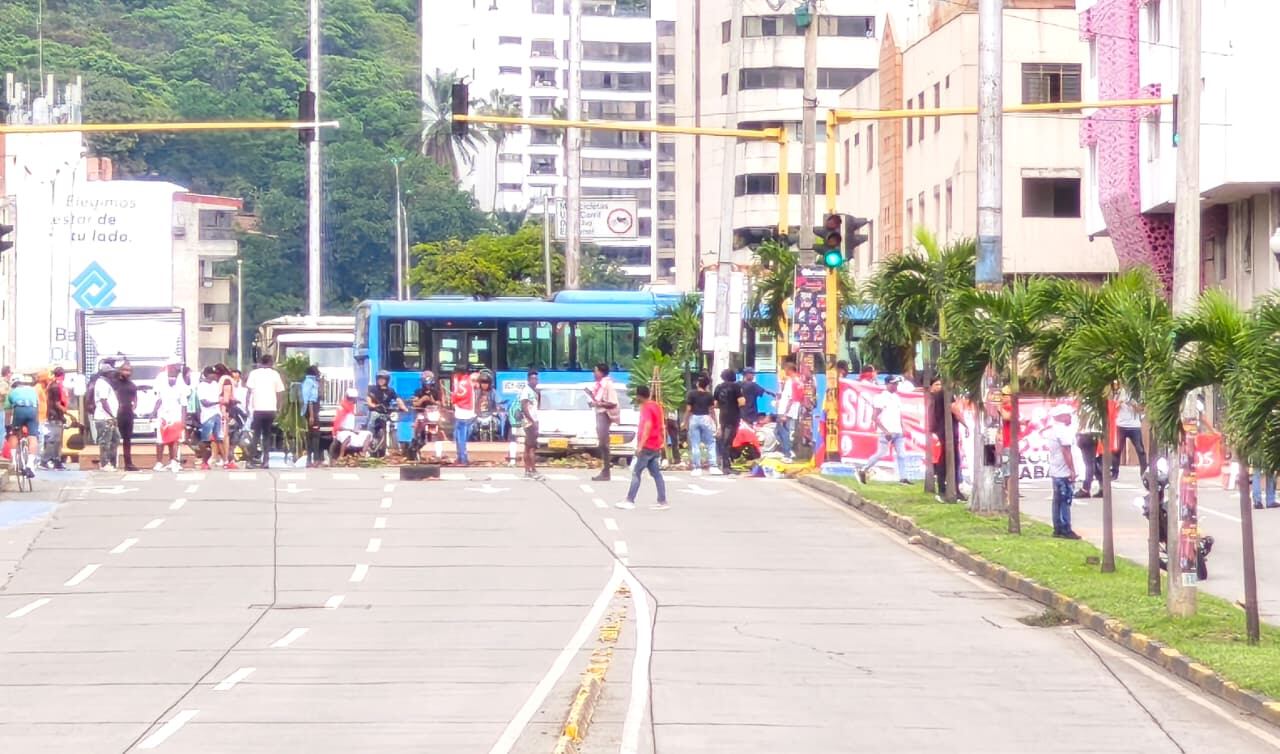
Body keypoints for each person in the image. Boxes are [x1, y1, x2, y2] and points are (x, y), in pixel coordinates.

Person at [615, 385, 669, 511]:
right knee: (656, 474)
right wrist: (662, 441)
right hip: (655, 445)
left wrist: (640, 445)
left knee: (636, 472)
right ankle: (662, 500)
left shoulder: (646, 408)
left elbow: (648, 426)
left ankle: (630, 499)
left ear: (639, 396)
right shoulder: (657, 406)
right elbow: (661, 426)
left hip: (647, 446)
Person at [858, 376, 908, 485]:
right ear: (887, 384)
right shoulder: (880, 398)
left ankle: (903, 478)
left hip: (897, 431)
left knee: (902, 455)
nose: (896, 386)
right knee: (881, 453)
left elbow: (899, 415)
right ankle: (863, 469)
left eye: (896, 384)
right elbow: (874, 417)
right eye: (893, 384)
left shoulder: (896, 398)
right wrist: (885, 431)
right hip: (886, 432)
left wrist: (902, 427)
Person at [927, 376, 965, 501]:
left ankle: (946, 489)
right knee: (951, 461)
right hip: (948, 434)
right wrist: (965, 424)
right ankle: (949, 490)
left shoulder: (937, 396)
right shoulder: (946, 394)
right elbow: (954, 409)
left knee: (943, 461)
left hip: (940, 432)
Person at [245, 355, 286, 469]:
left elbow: (248, 392)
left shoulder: (254, 373)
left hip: (257, 408)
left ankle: (250, 461)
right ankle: (266, 461)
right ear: (271, 362)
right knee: (267, 435)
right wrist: (279, 408)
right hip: (270, 409)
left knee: (256, 436)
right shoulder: (275, 374)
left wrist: (247, 406)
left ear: (261, 362)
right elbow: (280, 393)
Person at [1048, 404, 1080, 539]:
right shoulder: (1062, 431)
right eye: (1067, 415)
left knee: (1057, 500)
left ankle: (1058, 528)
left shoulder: (1054, 430)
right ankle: (1065, 528)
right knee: (1065, 499)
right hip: (1063, 471)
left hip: (1056, 469)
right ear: (1061, 417)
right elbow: (1066, 451)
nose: (1070, 417)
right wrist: (1072, 470)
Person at [152, 359, 188, 472]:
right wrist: (153, 412)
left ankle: (173, 461)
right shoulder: (160, 378)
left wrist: (183, 420)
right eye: (176, 366)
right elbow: (158, 398)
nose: (178, 368)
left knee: (174, 440)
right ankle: (159, 463)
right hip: (162, 414)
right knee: (160, 440)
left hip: (176, 414)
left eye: (179, 366)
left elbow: (184, 403)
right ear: (170, 366)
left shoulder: (181, 380)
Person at [587, 363, 619, 481]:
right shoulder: (599, 385)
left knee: (604, 445)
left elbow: (612, 402)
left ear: (601, 372)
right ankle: (605, 470)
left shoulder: (607, 385)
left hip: (604, 415)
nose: (594, 374)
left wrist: (598, 403)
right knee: (602, 444)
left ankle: (606, 471)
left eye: (595, 371)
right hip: (600, 414)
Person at [683, 374, 719, 476]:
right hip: (706, 418)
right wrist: (716, 423)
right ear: (707, 385)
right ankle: (713, 466)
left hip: (694, 418)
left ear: (698, 383)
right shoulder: (709, 395)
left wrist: (685, 421)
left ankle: (697, 467)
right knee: (711, 442)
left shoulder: (691, 394)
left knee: (695, 444)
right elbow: (711, 410)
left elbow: (689, 409)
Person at [4, 375, 39, 478]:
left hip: (19, 410)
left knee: (14, 434)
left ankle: (14, 461)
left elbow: (8, 412)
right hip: (32, 410)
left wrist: (8, 427)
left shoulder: (11, 393)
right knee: (32, 437)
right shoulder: (32, 390)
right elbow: (37, 405)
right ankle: (30, 464)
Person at [1113, 384, 1149, 480]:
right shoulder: (1119, 392)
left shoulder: (1138, 393)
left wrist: (1133, 404)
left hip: (1134, 425)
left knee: (1140, 450)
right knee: (1117, 451)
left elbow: (1142, 410)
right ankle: (1114, 473)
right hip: (1121, 424)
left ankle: (1144, 473)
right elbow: (1113, 407)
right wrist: (1119, 402)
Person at [367, 369, 408, 453]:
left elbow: (398, 399)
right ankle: (368, 443)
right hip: (376, 411)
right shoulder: (373, 389)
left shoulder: (390, 390)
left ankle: (395, 448)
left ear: (387, 380)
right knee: (371, 422)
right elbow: (368, 400)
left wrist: (403, 407)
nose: (381, 380)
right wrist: (373, 405)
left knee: (394, 424)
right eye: (379, 378)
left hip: (387, 412)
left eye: (383, 379)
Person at [712, 369, 744, 474]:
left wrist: (723, 405)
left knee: (724, 440)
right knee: (728, 441)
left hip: (723, 416)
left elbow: (715, 404)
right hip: (733, 416)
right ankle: (726, 466)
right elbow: (741, 402)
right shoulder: (736, 387)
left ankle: (723, 463)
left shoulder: (718, 387)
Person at [92, 361, 121, 472]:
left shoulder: (105, 383)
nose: (112, 374)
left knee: (115, 439)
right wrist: (112, 416)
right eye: (110, 372)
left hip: (108, 418)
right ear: (106, 373)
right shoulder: (102, 384)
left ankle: (112, 462)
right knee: (105, 441)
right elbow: (104, 402)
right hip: (104, 418)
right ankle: (105, 463)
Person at [112, 361, 140, 471]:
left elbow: (135, 397)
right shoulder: (114, 383)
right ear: (120, 370)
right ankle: (111, 462)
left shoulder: (132, 385)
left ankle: (128, 464)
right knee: (113, 439)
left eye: (129, 370)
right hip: (117, 413)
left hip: (128, 413)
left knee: (127, 439)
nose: (127, 372)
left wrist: (134, 406)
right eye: (124, 370)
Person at [774, 360, 803, 463]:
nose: (784, 372)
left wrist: (785, 413)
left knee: (781, 432)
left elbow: (791, 398)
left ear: (790, 369)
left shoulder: (791, 382)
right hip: (790, 410)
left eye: (785, 369)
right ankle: (788, 451)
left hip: (786, 410)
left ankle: (787, 453)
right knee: (779, 431)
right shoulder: (798, 381)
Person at [196, 367, 224, 471]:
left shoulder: (215, 385)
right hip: (208, 416)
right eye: (213, 374)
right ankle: (204, 462)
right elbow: (204, 403)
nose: (215, 375)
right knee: (206, 441)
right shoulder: (201, 386)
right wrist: (218, 402)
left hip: (217, 414)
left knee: (219, 439)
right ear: (207, 374)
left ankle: (224, 460)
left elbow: (219, 396)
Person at [332, 388, 372, 461]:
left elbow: (351, 415)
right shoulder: (342, 408)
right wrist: (351, 430)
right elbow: (338, 426)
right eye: (351, 399)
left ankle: (363, 453)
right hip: (342, 432)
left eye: (353, 399)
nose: (352, 401)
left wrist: (357, 415)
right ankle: (341, 456)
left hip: (352, 431)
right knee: (348, 436)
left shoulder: (351, 408)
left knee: (368, 434)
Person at [42, 367, 68, 470]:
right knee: (53, 440)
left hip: (57, 415)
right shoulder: (56, 386)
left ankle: (57, 460)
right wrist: (65, 411)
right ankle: (45, 460)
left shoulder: (53, 385)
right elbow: (57, 403)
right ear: (63, 375)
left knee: (57, 441)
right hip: (54, 415)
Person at [1074, 410, 1104, 499]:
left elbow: (1083, 420)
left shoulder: (1086, 404)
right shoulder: (1097, 404)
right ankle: (1103, 487)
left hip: (1087, 433)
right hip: (1095, 433)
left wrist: (1078, 433)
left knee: (1089, 464)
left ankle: (1086, 489)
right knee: (1093, 462)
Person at [519, 369, 542, 480]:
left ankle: (528, 470)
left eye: (536, 378)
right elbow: (524, 407)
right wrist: (532, 421)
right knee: (531, 447)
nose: (535, 381)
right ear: (528, 380)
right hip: (529, 422)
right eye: (533, 379)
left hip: (533, 421)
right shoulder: (526, 391)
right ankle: (532, 470)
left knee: (528, 447)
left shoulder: (534, 391)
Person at [451, 365, 476, 465]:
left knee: (460, 438)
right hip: (468, 412)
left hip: (462, 413)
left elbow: (458, 395)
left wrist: (452, 399)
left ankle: (463, 459)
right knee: (460, 437)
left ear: (459, 373)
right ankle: (461, 458)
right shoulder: (469, 381)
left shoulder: (462, 383)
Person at [300, 365, 324, 467]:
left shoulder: (308, 382)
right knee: (315, 436)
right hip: (312, 411)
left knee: (310, 435)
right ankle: (315, 459)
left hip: (309, 411)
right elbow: (310, 400)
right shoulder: (311, 383)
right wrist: (312, 415)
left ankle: (309, 460)